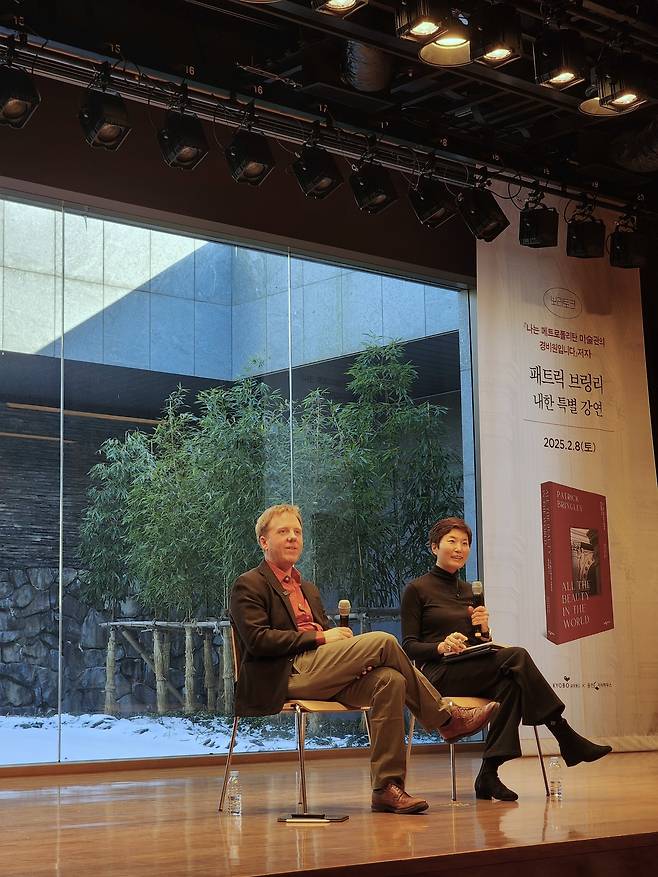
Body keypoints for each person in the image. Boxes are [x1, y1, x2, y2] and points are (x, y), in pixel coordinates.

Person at [230, 504, 499, 815]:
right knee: (383, 641)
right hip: (286, 674)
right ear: (264, 541)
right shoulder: (249, 583)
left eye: (297, 532)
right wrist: (321, 637)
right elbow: (258, 641)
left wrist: (341, 647)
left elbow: (326, 637)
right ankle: (446, 718)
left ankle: (387, 788)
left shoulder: (308, 588)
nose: (293, 538)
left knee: (390, 680)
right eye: (283, 532)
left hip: (321, 670)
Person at [401, 516, 612, 802]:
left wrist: (485, 631)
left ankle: (489, 773)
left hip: (469, 668)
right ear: (434, 546)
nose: (459, 548)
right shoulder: (417, 589)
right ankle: (563, 733)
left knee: (511, 684)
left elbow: (480, 645)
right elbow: (409, 647)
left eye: (465, 543)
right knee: (517, 656)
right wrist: (441, 646)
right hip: (437, 674)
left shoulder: (470, 591)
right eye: (452, 541)